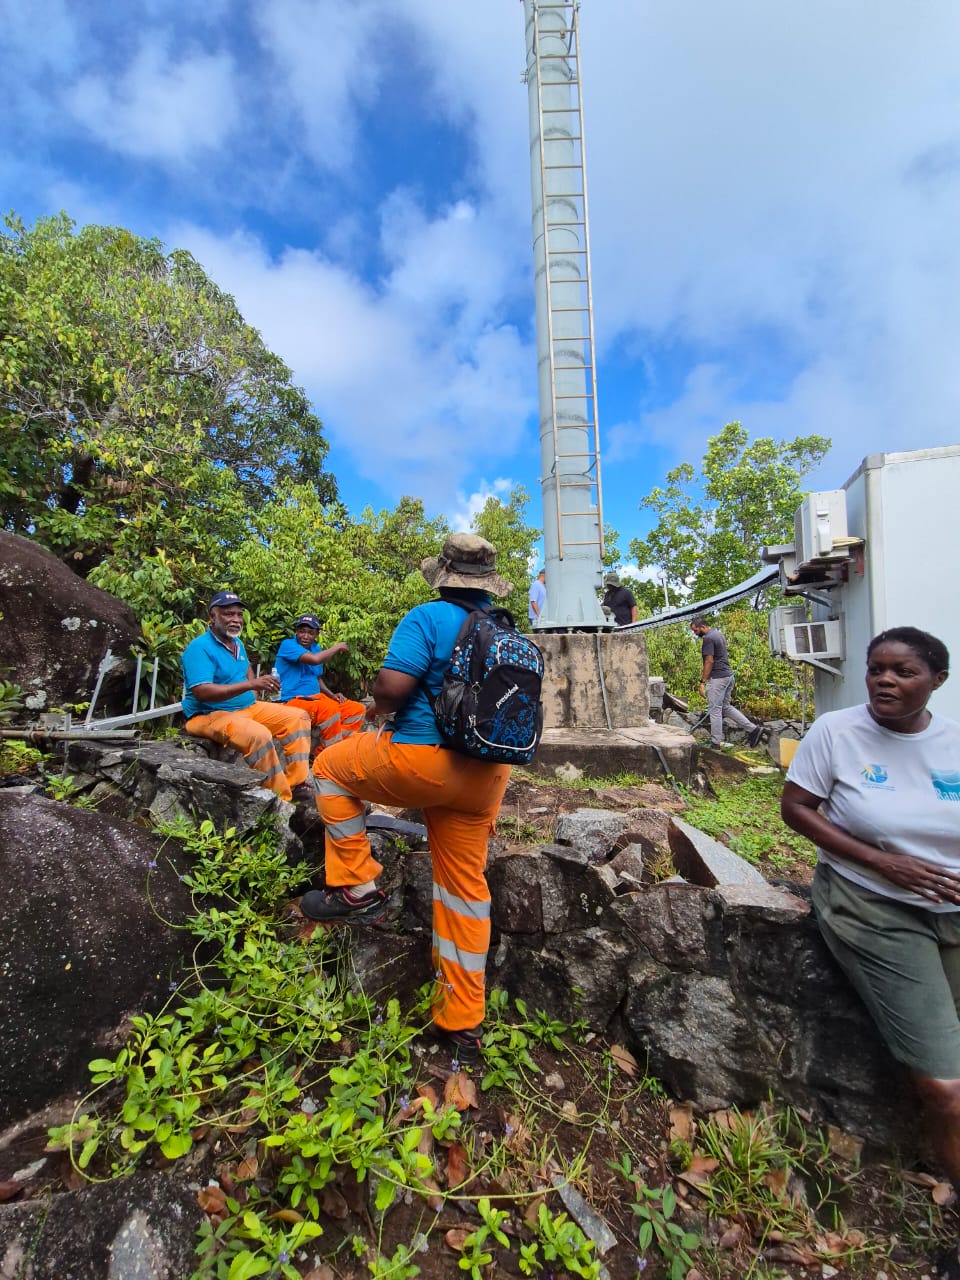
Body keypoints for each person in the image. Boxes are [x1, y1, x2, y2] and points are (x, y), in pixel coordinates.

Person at [780, 627, 960, 1280]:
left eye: (903, 671)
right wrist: (886, 864)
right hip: (872, 906)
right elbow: (795, 807)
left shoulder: (952, 742)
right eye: (876, 669)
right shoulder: (836, 733)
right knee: (945, 1083)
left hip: (953, 913)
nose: (884, 681)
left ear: (936, 679)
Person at [301, 533, 513, 1066]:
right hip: (488, 776)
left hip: (426, 761)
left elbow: (393, 691)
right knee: (464, 890)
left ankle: (354, 886)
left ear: (443, 574)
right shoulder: (508, 630)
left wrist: (377, 697)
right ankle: (463, 1025)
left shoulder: (427, 617)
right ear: (487, 582)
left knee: (327, 768)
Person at [180, 591, 312, 803]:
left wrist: (255, 688)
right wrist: (251, 684)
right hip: (209, 714)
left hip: (247, 708)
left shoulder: (236, 644)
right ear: (212, 617)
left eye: (239, 614)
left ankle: (295, 783)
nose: (236, 619)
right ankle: (281, 799)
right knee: (258, 734)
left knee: (299, 717)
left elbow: (246, 670)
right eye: (228, 614)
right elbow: (202, 691)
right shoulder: (199, 648)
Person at [275, 613, 365, 753]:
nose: (305, 636)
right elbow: (315, 660)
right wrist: (337, 647)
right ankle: (332, 757)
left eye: (310, 633)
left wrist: (332, 695)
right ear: (296, 632)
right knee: (329, 709)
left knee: (356, 710)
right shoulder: (288, 645)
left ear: (316, 634)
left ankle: (323, 752)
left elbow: (317, 677)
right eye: (301, 631)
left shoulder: (316, 649)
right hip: (292, 700)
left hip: (317, 698)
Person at [690, 616, 762, 749]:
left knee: (715, 710)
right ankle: (753, 729)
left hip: (718, 678)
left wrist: (702, 681)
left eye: (695, 631)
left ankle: (716, 742)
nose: (695, 634)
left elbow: (709, 661)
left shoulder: (708, 639)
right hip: (729, 676)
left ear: (702, 627)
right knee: (725, 707)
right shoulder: (718, 633)